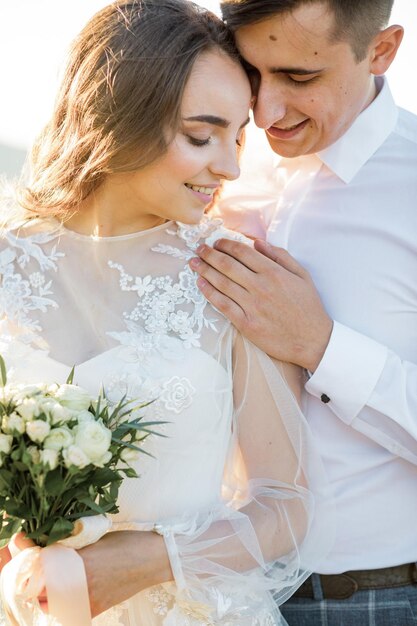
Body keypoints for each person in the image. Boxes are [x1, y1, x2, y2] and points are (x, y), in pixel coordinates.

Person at [0, 1, 332, 625]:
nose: (229, 166)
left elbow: (286, 507)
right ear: (119, 113)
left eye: (237, 139)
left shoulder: (230, 274)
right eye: (202, 136)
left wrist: (155, 560)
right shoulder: (5, 266)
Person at [189, 0, 417, 624]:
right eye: (253, 72)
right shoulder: (208, 165)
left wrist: (320, 345)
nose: (266, 112)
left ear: (382, 50)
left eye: (299, 77)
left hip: (371, 599)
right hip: (210, 596)